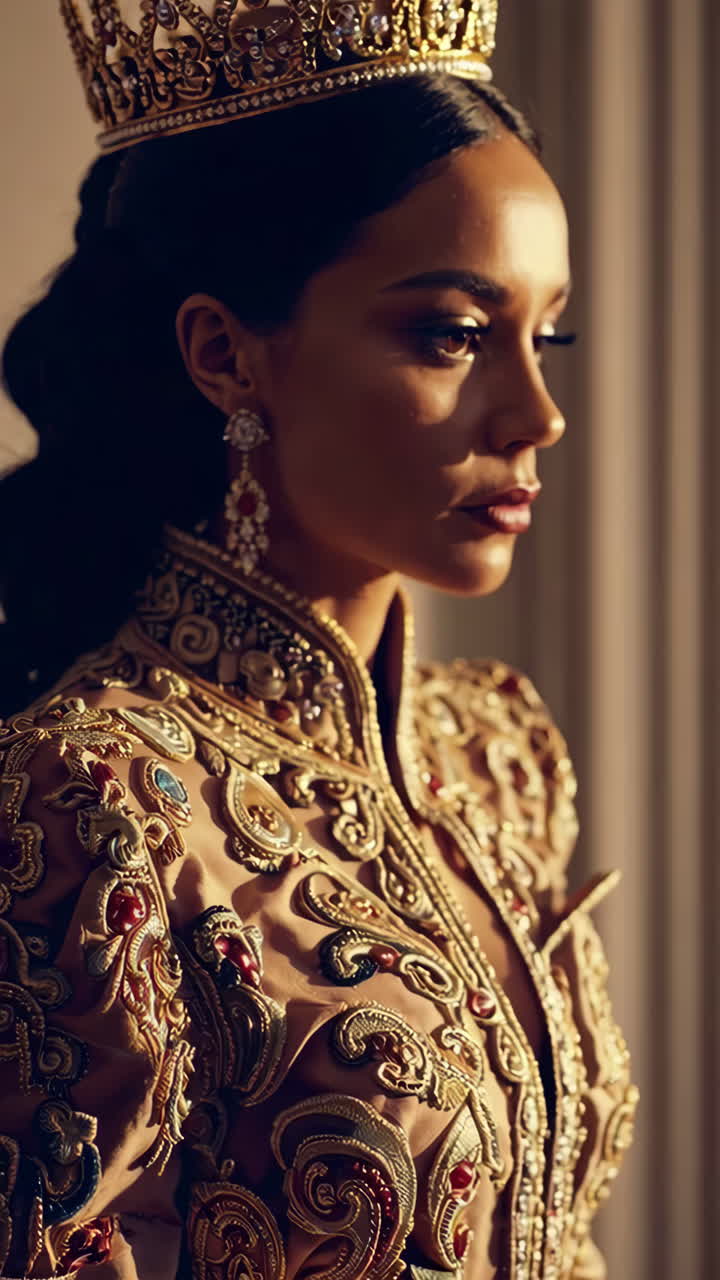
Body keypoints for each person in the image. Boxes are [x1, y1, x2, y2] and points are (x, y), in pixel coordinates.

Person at [0, 2, 638, 1276]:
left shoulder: (498, 750)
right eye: (453, 334)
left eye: (545, 331)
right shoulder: (90, 794)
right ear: (227, 354)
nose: (539, 412)